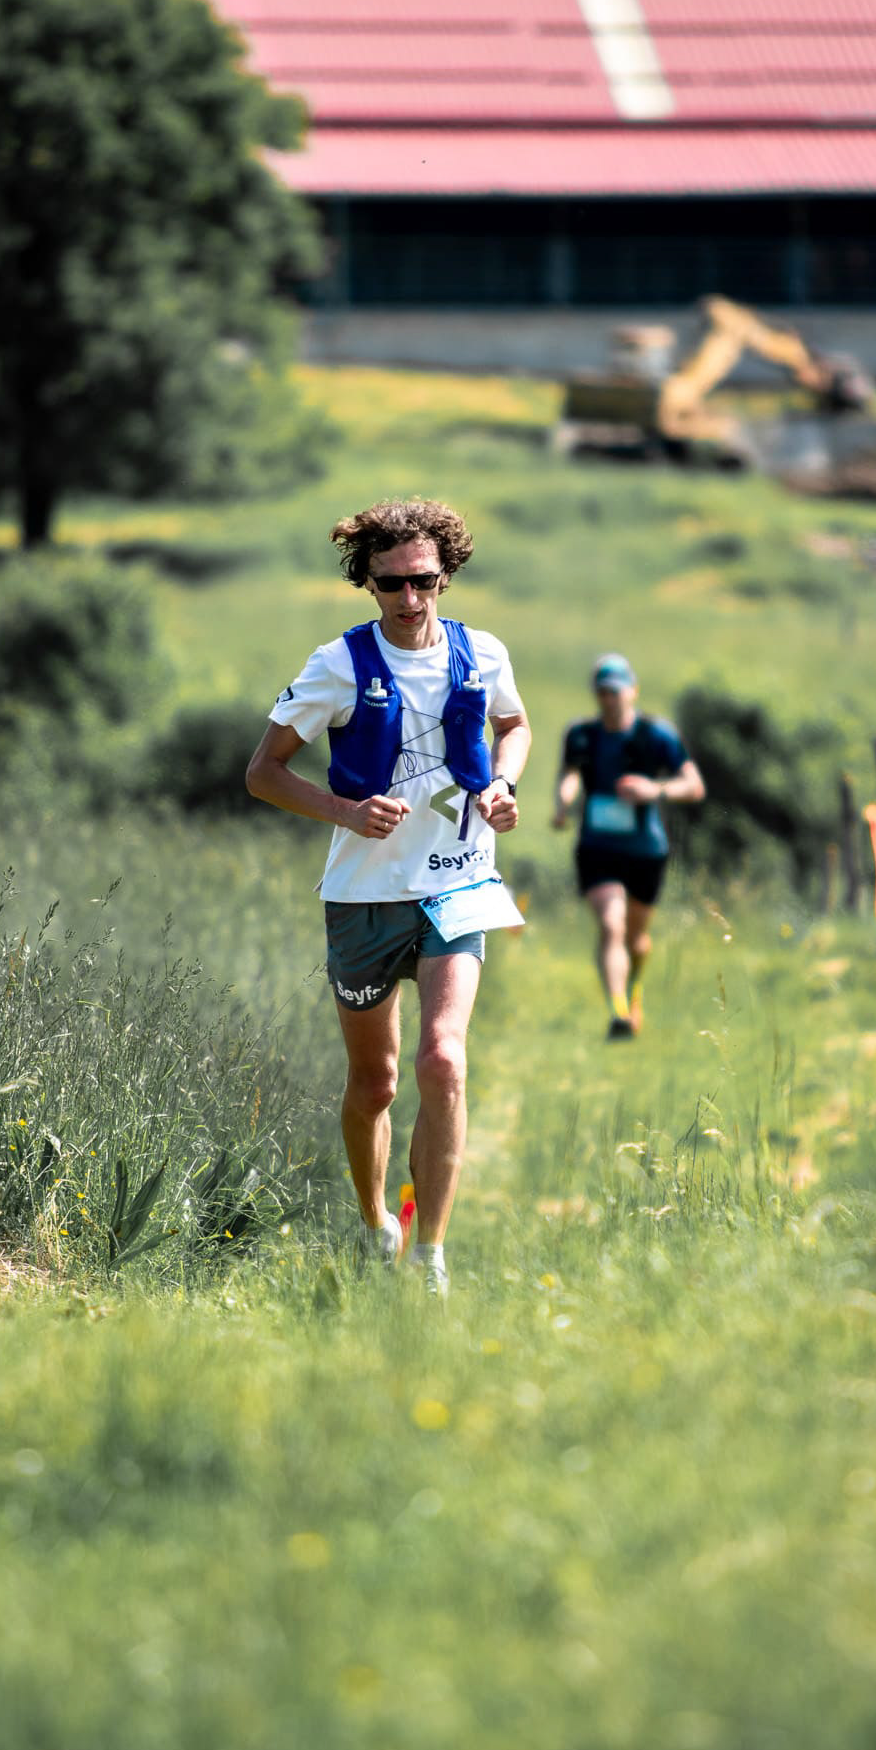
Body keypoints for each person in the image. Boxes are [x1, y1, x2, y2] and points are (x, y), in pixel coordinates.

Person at [246, 498, 530, 1296]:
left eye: (423, 582)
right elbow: (262, 773)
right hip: (364, 896)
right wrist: (345, 812)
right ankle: (377, 1222)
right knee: (376, 1084)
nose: (409, 599)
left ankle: (429, 1255)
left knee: (442, 1060)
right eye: (390, 584)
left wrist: (503, 785)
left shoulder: (483, 652)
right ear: (365, 582)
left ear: (447, 575)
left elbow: (514, 725)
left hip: (459, 885)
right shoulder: (337, 665)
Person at [552, 653, 705, 1040]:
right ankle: (618, 1012)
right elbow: (570, 775)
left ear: (633, 691)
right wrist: (563, 803)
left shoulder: (657, 735)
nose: (609, 699)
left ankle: (634, 992)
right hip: (597, 847)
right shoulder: (582, 735)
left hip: (645, 851)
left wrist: (655, 789)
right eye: (603, 692)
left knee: (636, 939)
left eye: (616, 692)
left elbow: (693, 785)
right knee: (611, 925)